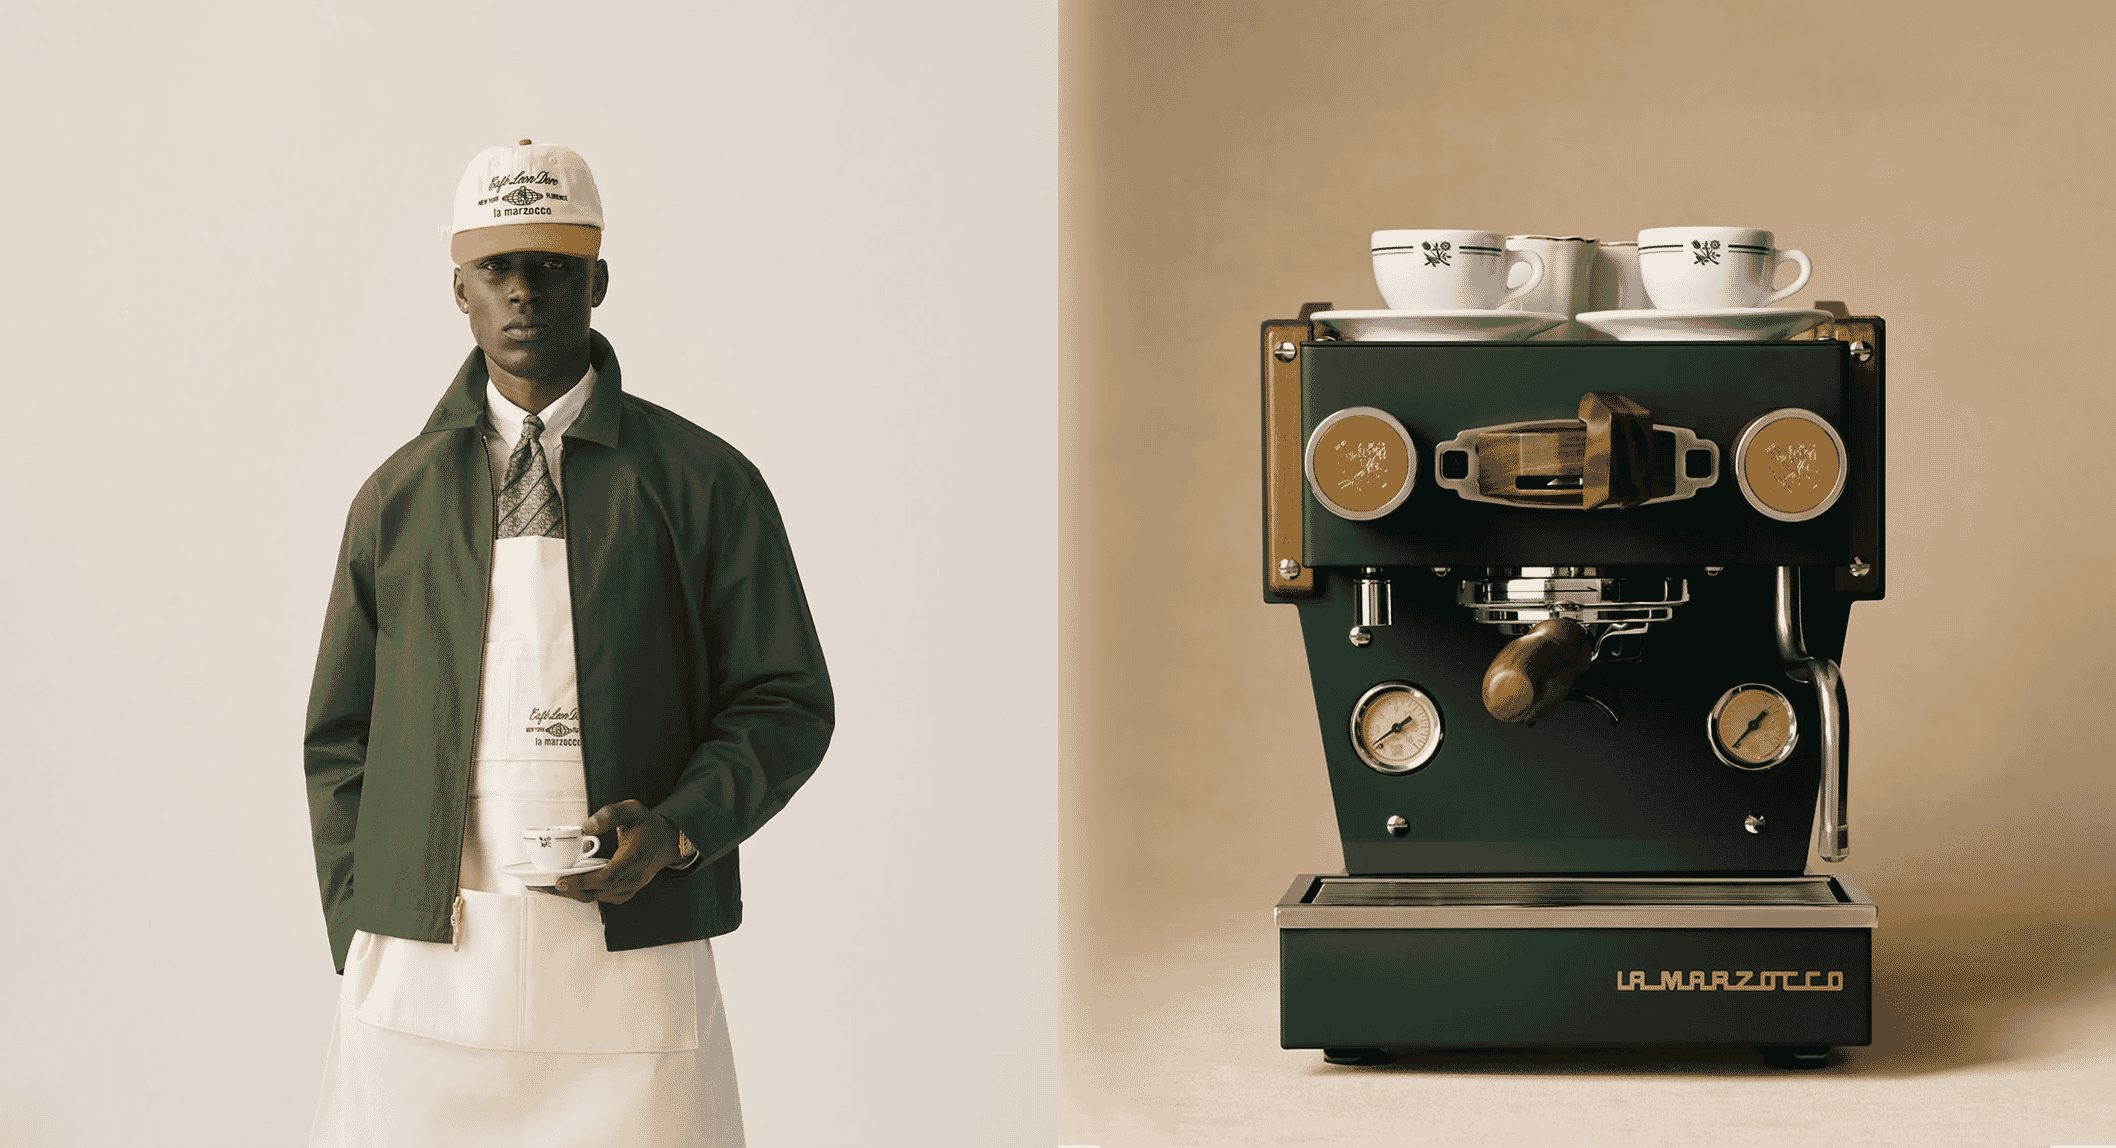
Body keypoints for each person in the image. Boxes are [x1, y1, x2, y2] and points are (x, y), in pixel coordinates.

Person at [302, 140, 834, 1147]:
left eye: (549, 265)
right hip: (424, 979)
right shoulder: (396, 499)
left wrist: (679, 830)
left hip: (627, 967)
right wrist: (366, 925)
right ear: (457, 287)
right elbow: (338, 737)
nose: (523, 291)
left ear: (598, 277)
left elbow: (784, 698)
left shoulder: (704, 484)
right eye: (497, 268)